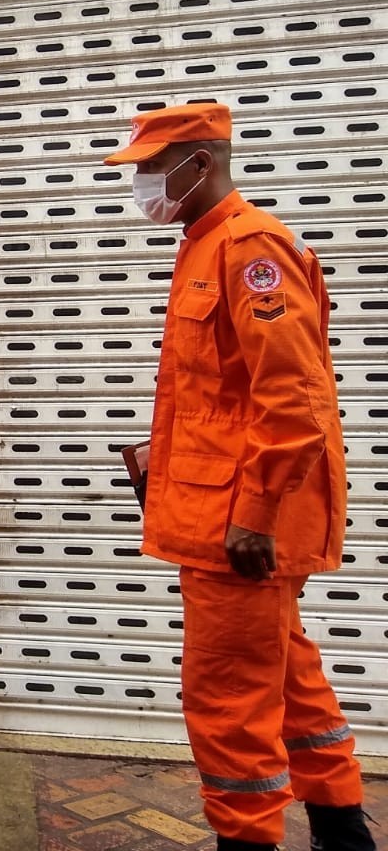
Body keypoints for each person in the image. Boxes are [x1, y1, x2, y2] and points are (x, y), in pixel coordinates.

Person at [103, 103, 373, 851]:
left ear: (201, 162)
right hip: (218, 516)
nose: (145, 185)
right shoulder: (202, 243)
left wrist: (253, 512)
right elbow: (221, 393)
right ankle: (342, 830)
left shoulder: (251, 247)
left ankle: (247, 840)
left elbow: (296, 399)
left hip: (240, 530)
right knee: (291, 681)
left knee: (228, 702)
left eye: (154, 169)